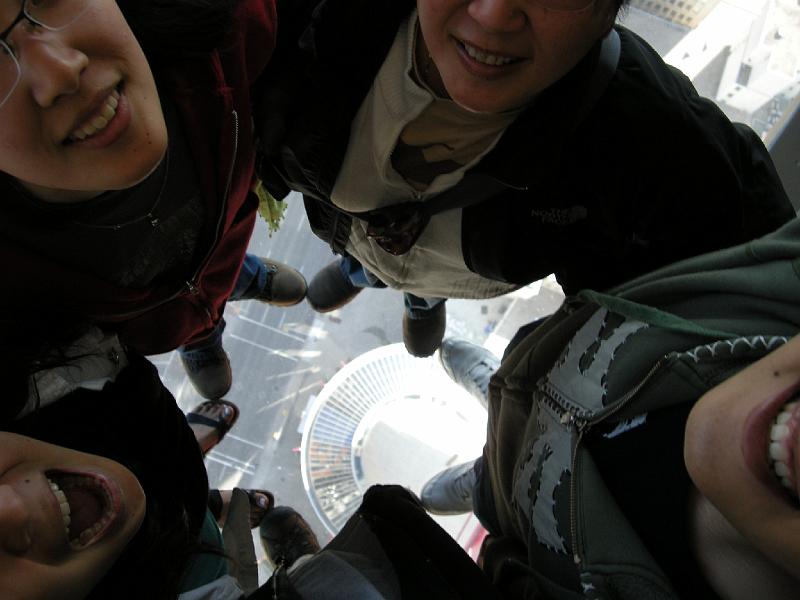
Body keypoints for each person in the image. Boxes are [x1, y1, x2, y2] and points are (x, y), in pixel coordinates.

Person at [256, 0, 794, 358]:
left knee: (408, 255)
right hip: (368, 234)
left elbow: (756, 284)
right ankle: (370, 275)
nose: (492, 15)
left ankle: (416, 297)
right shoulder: (310, 18)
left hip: (450, 270)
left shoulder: (649, 139)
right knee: (379, 243)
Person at [421, 216, 800, 598]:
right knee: (522, 377)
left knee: (500, 490)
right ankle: (496, 399)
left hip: (518, 508)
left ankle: (484, 483)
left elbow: (505, 566)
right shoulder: (782, 283)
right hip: (544, 363)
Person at [0, 0, 307, 400]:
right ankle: (198, 337)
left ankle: (233, 288)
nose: (61, 70)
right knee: (183, 302)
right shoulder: (13, 279)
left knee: (209, 272)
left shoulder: (225, 23)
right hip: (155, 319)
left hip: (217, 253)